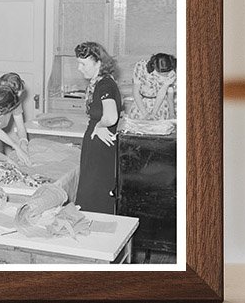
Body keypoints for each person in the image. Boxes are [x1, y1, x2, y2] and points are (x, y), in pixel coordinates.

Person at [74, 40, 123, 214]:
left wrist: (99, 126)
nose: (79, 68)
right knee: (91, 193)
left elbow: (110, 117)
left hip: (101, 149)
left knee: (94, 195)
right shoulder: (99, 83)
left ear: (99, 63)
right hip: (96, 147)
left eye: (83, 64)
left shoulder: (105, 85)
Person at [0, 71, 30, 161]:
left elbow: (20, 127)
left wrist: (23, 141)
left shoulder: (15, 102)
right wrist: (15, 146)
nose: (16, 100)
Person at [130, 53, 177, 121]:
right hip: (141, 104)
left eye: (166, 74)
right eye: (161, 74)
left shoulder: (171, 74)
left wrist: (153, 113)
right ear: (154, 67)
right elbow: (135, 92)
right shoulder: (141, 67)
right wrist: (145, 114)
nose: (164, 76)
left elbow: (161, 94)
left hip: (159, 105)